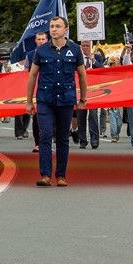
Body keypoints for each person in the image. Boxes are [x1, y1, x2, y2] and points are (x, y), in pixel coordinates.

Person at [25, 16, 87, 187]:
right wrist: (29, 101)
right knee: (45, 135)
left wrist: (83, 98)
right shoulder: (41, 50)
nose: (54, 29)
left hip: (66, 100)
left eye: (58, 26)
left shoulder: (74, 49)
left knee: (62, 138)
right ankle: (45, 175)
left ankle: (61, 175)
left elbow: (82, 75)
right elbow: (32, 75)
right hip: (45, 100)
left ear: (65, 29)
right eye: (52, 26)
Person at [75, 40, 103, 149]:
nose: (85, 47)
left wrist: (94, 61)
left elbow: (102, 69)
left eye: (87, 45)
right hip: (81, 90)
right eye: (83, 46)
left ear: (91, 46)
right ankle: (83, 140)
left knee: (93, 116)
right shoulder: (78, 58)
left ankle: (94, 139)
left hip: (94, 91)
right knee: (81, 116)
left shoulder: (97, 57)